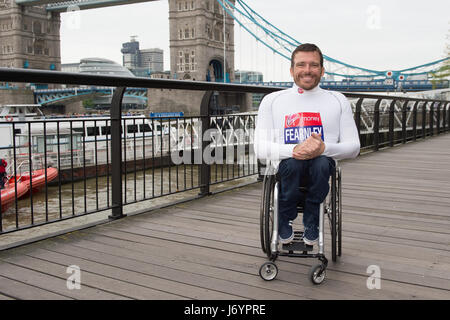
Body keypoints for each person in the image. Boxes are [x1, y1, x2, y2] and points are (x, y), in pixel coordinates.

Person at [254, 43, 360, 246]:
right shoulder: (272, 101)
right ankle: (284, 217)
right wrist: (294, 150)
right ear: (292, 70)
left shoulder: (337, 100)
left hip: (322, 166)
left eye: (313, 65)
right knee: (293, 164)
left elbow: (354, 147)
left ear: (322, 70)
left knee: (321, 162)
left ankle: (313, 220)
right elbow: (260, 148)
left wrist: (323, 148)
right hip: (287, 166)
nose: (307, 70)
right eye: (301, 64)